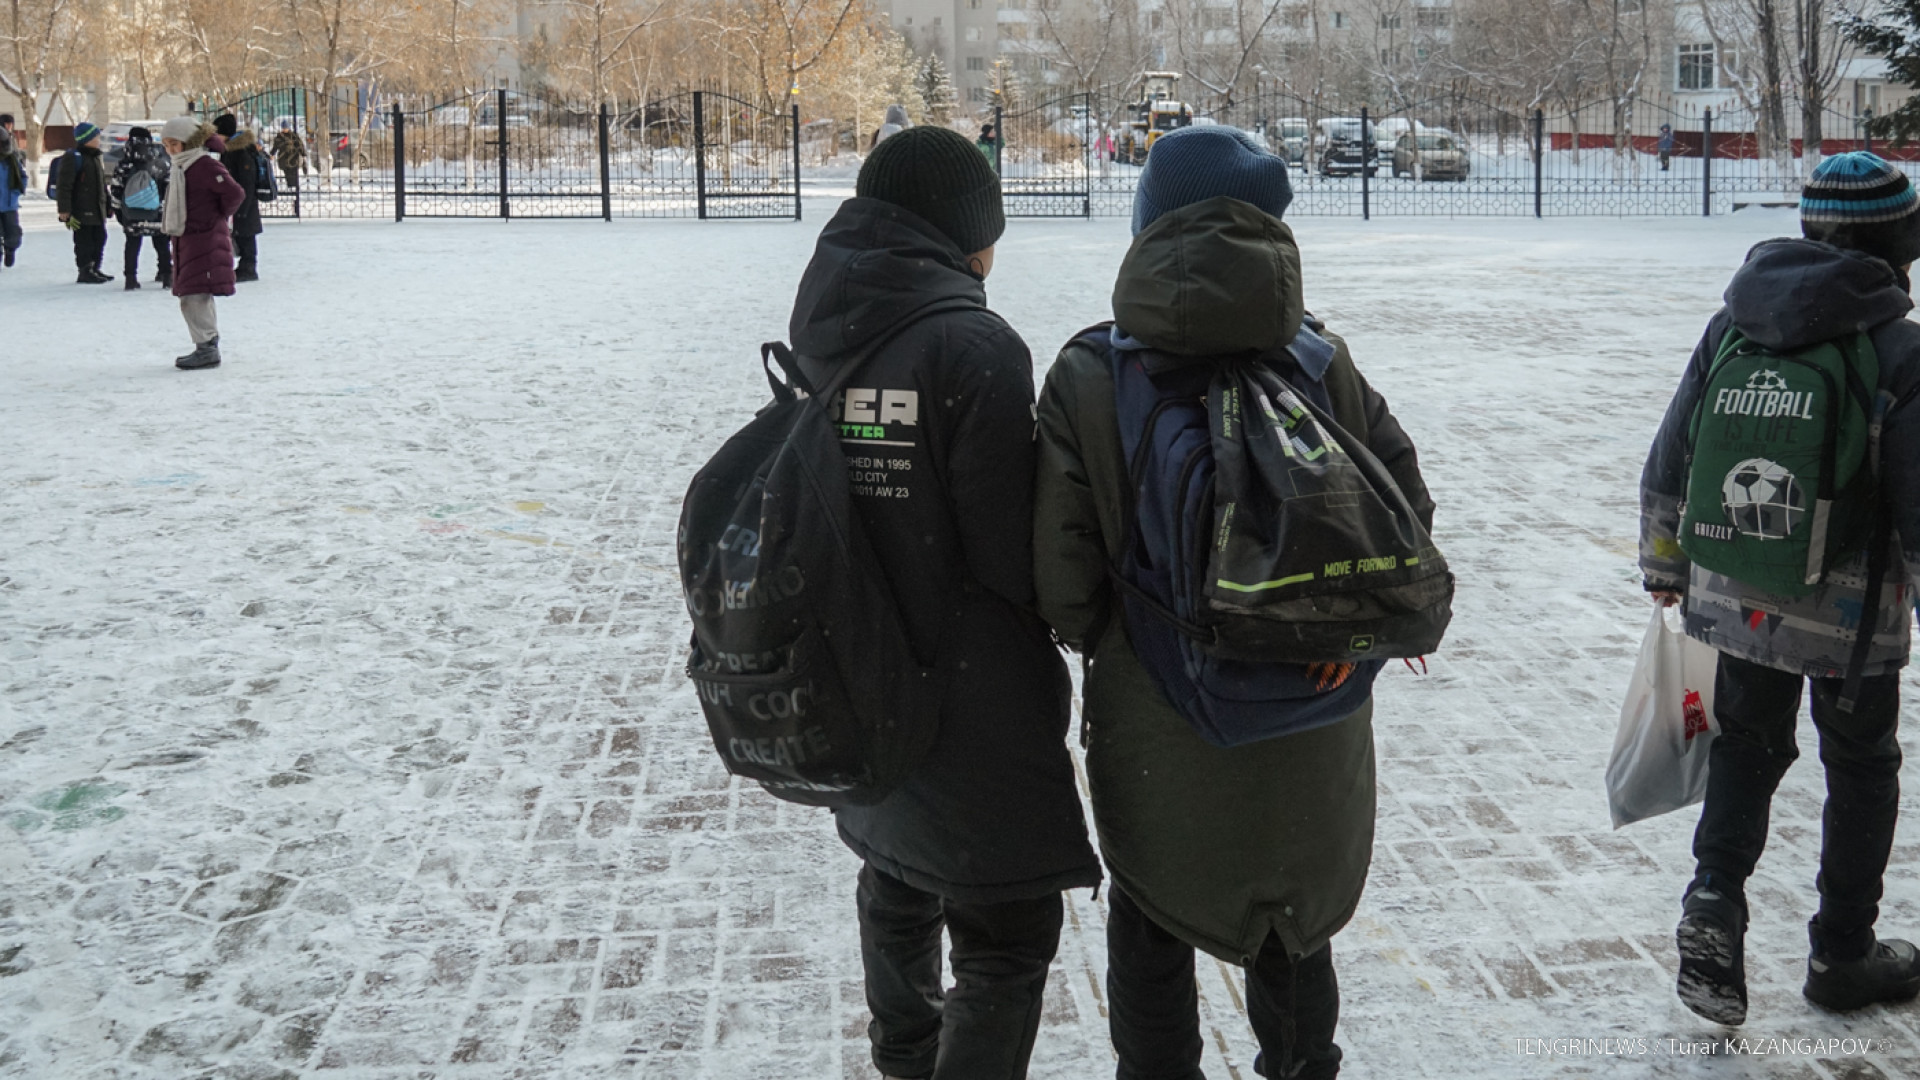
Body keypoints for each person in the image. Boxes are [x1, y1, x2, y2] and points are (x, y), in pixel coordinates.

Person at [1031, 126, 1433, 1080]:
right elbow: (1404, 513)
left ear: (1148, 227)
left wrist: (1134, 649)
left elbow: (1062, 574)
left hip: (1158, 716)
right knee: (1293, 924)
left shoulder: (1092, 374)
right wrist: (1348, 642)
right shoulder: (1323, 364)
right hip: (1311, 706)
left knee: (1154, 910)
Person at [787, 125, 1098, 1079]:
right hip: (968, 688)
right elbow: (1012, 548)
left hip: (862, 668)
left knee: (896, 876)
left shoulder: (831, 319)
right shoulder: (971, 342)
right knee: (1007, 929)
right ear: (968, 232)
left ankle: (905, 1060)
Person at [1641, 151, 1920, 1025]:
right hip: (1851, 621)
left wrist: (1665, 567)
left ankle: (1714, 902)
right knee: (1862, 767)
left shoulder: (1734, 325)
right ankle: (1842, 954)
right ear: (1897, 242)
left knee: (1747, 748)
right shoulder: (1900, 350)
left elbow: (1671, 453)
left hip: (1736, 593)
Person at [160, 115, 244, 370]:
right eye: (166, 145)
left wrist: (214, 216)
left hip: (203, 237)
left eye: (175, 144)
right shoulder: (182, 166)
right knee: (194, 292)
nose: (171, 150)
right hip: (189, 237)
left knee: (194, 293)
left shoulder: (203, 165)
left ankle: (206, 346)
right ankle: (207, 342)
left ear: (189, 141)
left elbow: (234, 193)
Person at [109, 126, 172, 290]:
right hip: (157, 212)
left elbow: (116, 189)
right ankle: (167, 276)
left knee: (132, 244)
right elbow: (168, 186)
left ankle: (131, 278)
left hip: (132, 212)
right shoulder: (160, 161)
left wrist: (119, 212)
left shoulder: (125, 163)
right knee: (161, 243)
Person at [55, 121, 112, 284]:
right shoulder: (74, 158)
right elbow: (64, 186)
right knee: (84, 240)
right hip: (81, 208)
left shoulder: (95, 157)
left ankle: (95, 267)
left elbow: (102, 185)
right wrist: (64, 209)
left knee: (100, 238)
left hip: (97, 208)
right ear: (87, 138)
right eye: (96, 136)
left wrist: (107, 204)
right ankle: (85, 270)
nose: (99, 139)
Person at [213, 114, 265, 282]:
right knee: (240, 234)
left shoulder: (240, 151)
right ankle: (244, 266)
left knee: (246, 234)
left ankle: (249, 267)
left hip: (245, 202)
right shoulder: (229, 150)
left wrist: (242, 206)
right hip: (236, 201)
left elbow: (247, 181)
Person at [0, 114, 23, 272]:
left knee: (13, 235)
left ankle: (10, 249)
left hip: (9, 203)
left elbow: (22, 177)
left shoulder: (11, 160)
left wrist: (17, 191)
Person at [271, 120, 305, 193]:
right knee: (287, 173)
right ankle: (290, 187)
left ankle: (295, 188)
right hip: (284, 158)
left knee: (294, 172)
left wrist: (303, 154)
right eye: (283, 128)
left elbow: (300, 145)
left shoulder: (294, 136)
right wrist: (272, 154)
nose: (284, 129)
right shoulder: (279, 137)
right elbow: (275, 147)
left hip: (293, 157)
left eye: (286, 127)